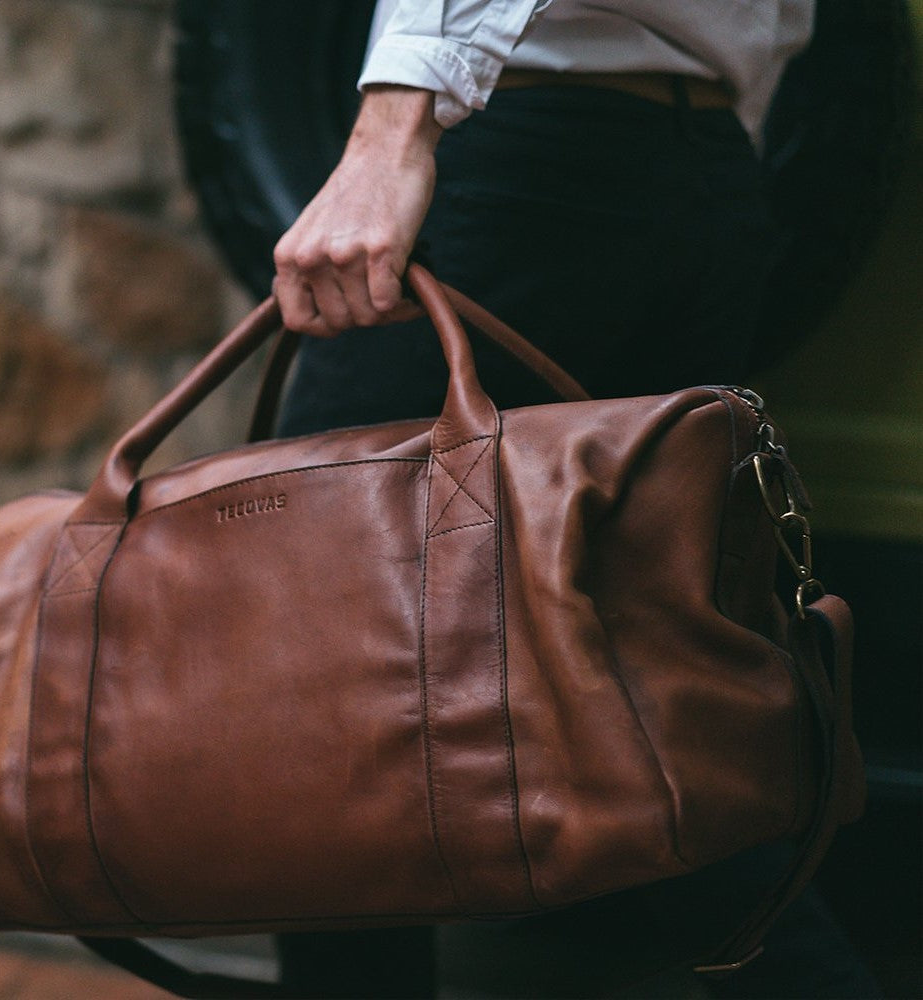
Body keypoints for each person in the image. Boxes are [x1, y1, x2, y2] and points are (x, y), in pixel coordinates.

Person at [268, 1, 881, 996]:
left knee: (304, 644)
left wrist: (392, 128)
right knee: (654, 680)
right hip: (705, 161)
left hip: (521, 150)